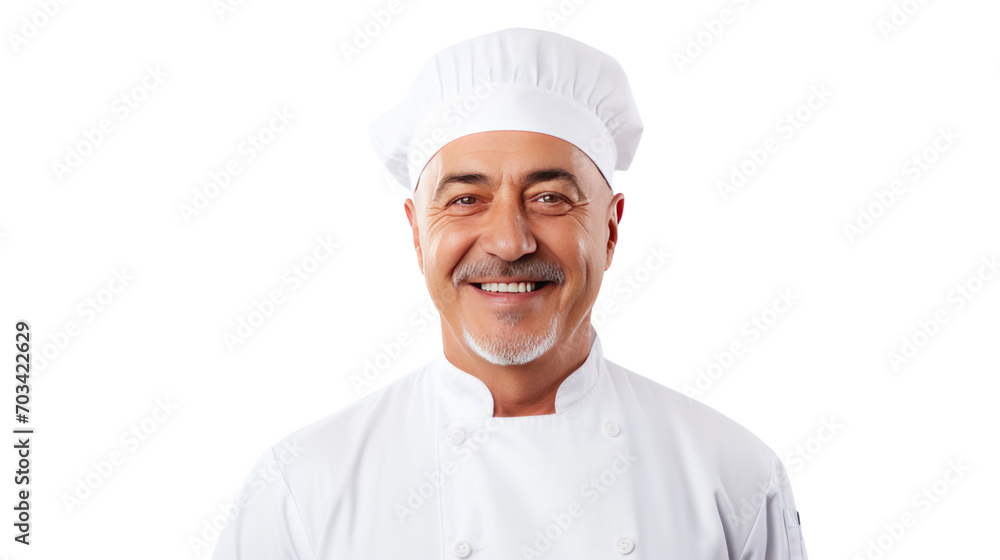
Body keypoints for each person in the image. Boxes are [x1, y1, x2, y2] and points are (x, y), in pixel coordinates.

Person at [211, 27, 809, 559]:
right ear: (418, 233)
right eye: (466, 199)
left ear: (608, 228)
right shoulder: (302, 489)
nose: (508, 240)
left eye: (549, 197)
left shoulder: (733, 479)